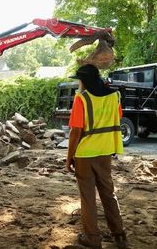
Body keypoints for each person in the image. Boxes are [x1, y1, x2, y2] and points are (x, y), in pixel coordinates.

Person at [66, 64, 128, 249]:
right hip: (106, 152)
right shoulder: (115, 96)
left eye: (79, 80)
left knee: (88, 197)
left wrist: (69, 157)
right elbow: (117, 117)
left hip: (85, 154)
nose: (78, 84)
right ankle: (119, 236)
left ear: (84, 81)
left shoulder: (81, 99)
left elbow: (75, 131)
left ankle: (92, 238)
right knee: (109, 193)